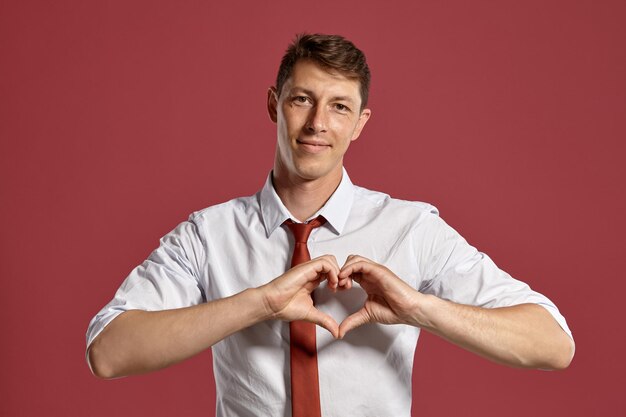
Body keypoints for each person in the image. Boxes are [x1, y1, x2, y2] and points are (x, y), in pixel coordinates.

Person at [86, 33, 574, 416]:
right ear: (274, 104)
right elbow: (108, 352)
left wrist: (419, 308)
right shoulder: (208, 235)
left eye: (339, 106)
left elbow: (553, 343)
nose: (318, 122)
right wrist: (260, 303)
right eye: (302, 99)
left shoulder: (412, 228)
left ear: (361, 122)